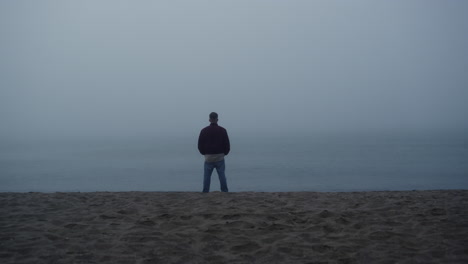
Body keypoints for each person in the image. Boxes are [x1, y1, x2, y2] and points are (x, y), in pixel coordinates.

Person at [198, 112, 230, 193]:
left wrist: (204, 153)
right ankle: (224, 191)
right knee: (222, 175)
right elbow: (227, 144)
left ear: (209, 119)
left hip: (208, 157)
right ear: (217, 119)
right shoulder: (223, 130)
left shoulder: (204, 130)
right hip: (220, 155)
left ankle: (205, 191)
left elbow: (200, 144)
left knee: (207, 176)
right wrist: (225, 153)